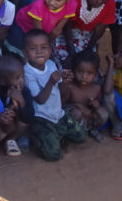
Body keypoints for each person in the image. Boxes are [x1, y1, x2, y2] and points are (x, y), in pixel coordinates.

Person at [20, 29, 85, 162]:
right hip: (41, 118)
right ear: (25, 52)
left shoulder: (51, 64)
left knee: (82, 136)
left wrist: (65, 83)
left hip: (58, 114)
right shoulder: (27, 72)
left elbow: (62, 94)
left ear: (50, 50)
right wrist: (51, 81)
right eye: (33, 48)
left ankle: (56, 136)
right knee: (53, 155)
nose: (39, 51)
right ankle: (37, 137)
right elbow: (40, 99)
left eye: (44, 47)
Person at [14, 0, 79, 64]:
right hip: (23, 26)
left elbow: (57, 30)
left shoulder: (72, 4)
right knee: (25, 51)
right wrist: (45, 46)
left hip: (45, 27)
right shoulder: (38, 7)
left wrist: (48, 42)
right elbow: (39, 34)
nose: (52, 2)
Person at [64, 0, 116, 64]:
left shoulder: (110, 3)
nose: (100, 1)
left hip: (90, 39)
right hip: (69, 37)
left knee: (88, 63)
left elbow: (99, 30)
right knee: (66, 60)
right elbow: (67, 26)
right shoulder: (75, 1)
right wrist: (71, 51)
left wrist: (89, 49)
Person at [60, 50, 109, 142]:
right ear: (74, 71)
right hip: (74, 120)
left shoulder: (97, 88)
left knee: (103, 113)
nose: (84, 76)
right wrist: (78, 105)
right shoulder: (70, 86)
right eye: (80, 71)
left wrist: (96, 105)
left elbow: (98, 106)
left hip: (89, 119)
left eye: (89, 73)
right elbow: (61, 106)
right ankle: (74, 133)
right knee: (76, 113)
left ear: (95, 74)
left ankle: (93, 130)